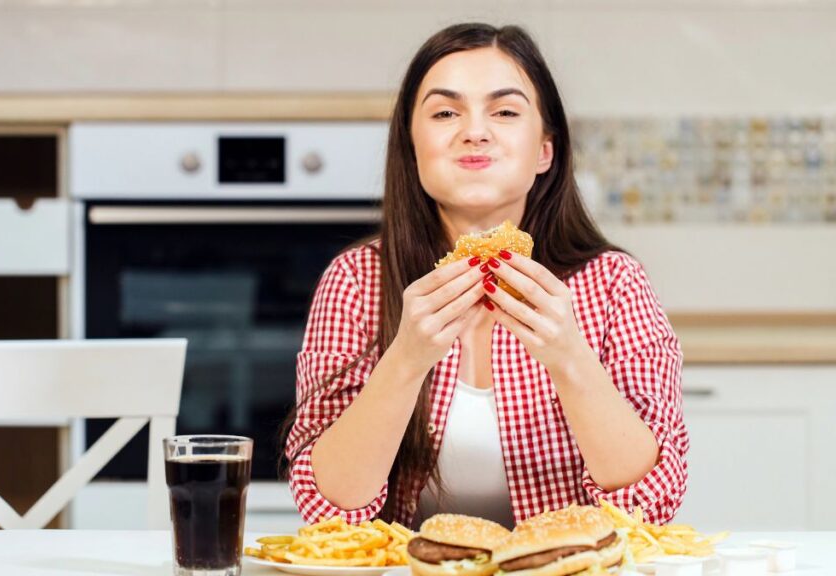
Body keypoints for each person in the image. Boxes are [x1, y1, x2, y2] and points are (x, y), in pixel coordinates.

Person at [280, 22, 687, 529]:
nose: (474, 130)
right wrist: (406, 359)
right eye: (446, 112)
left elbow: (650, 505)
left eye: (505, 111)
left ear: (545, 150)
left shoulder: (614, 283)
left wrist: (568, 357)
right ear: (411, 148)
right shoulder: (356, 280)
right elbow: (328, 510)